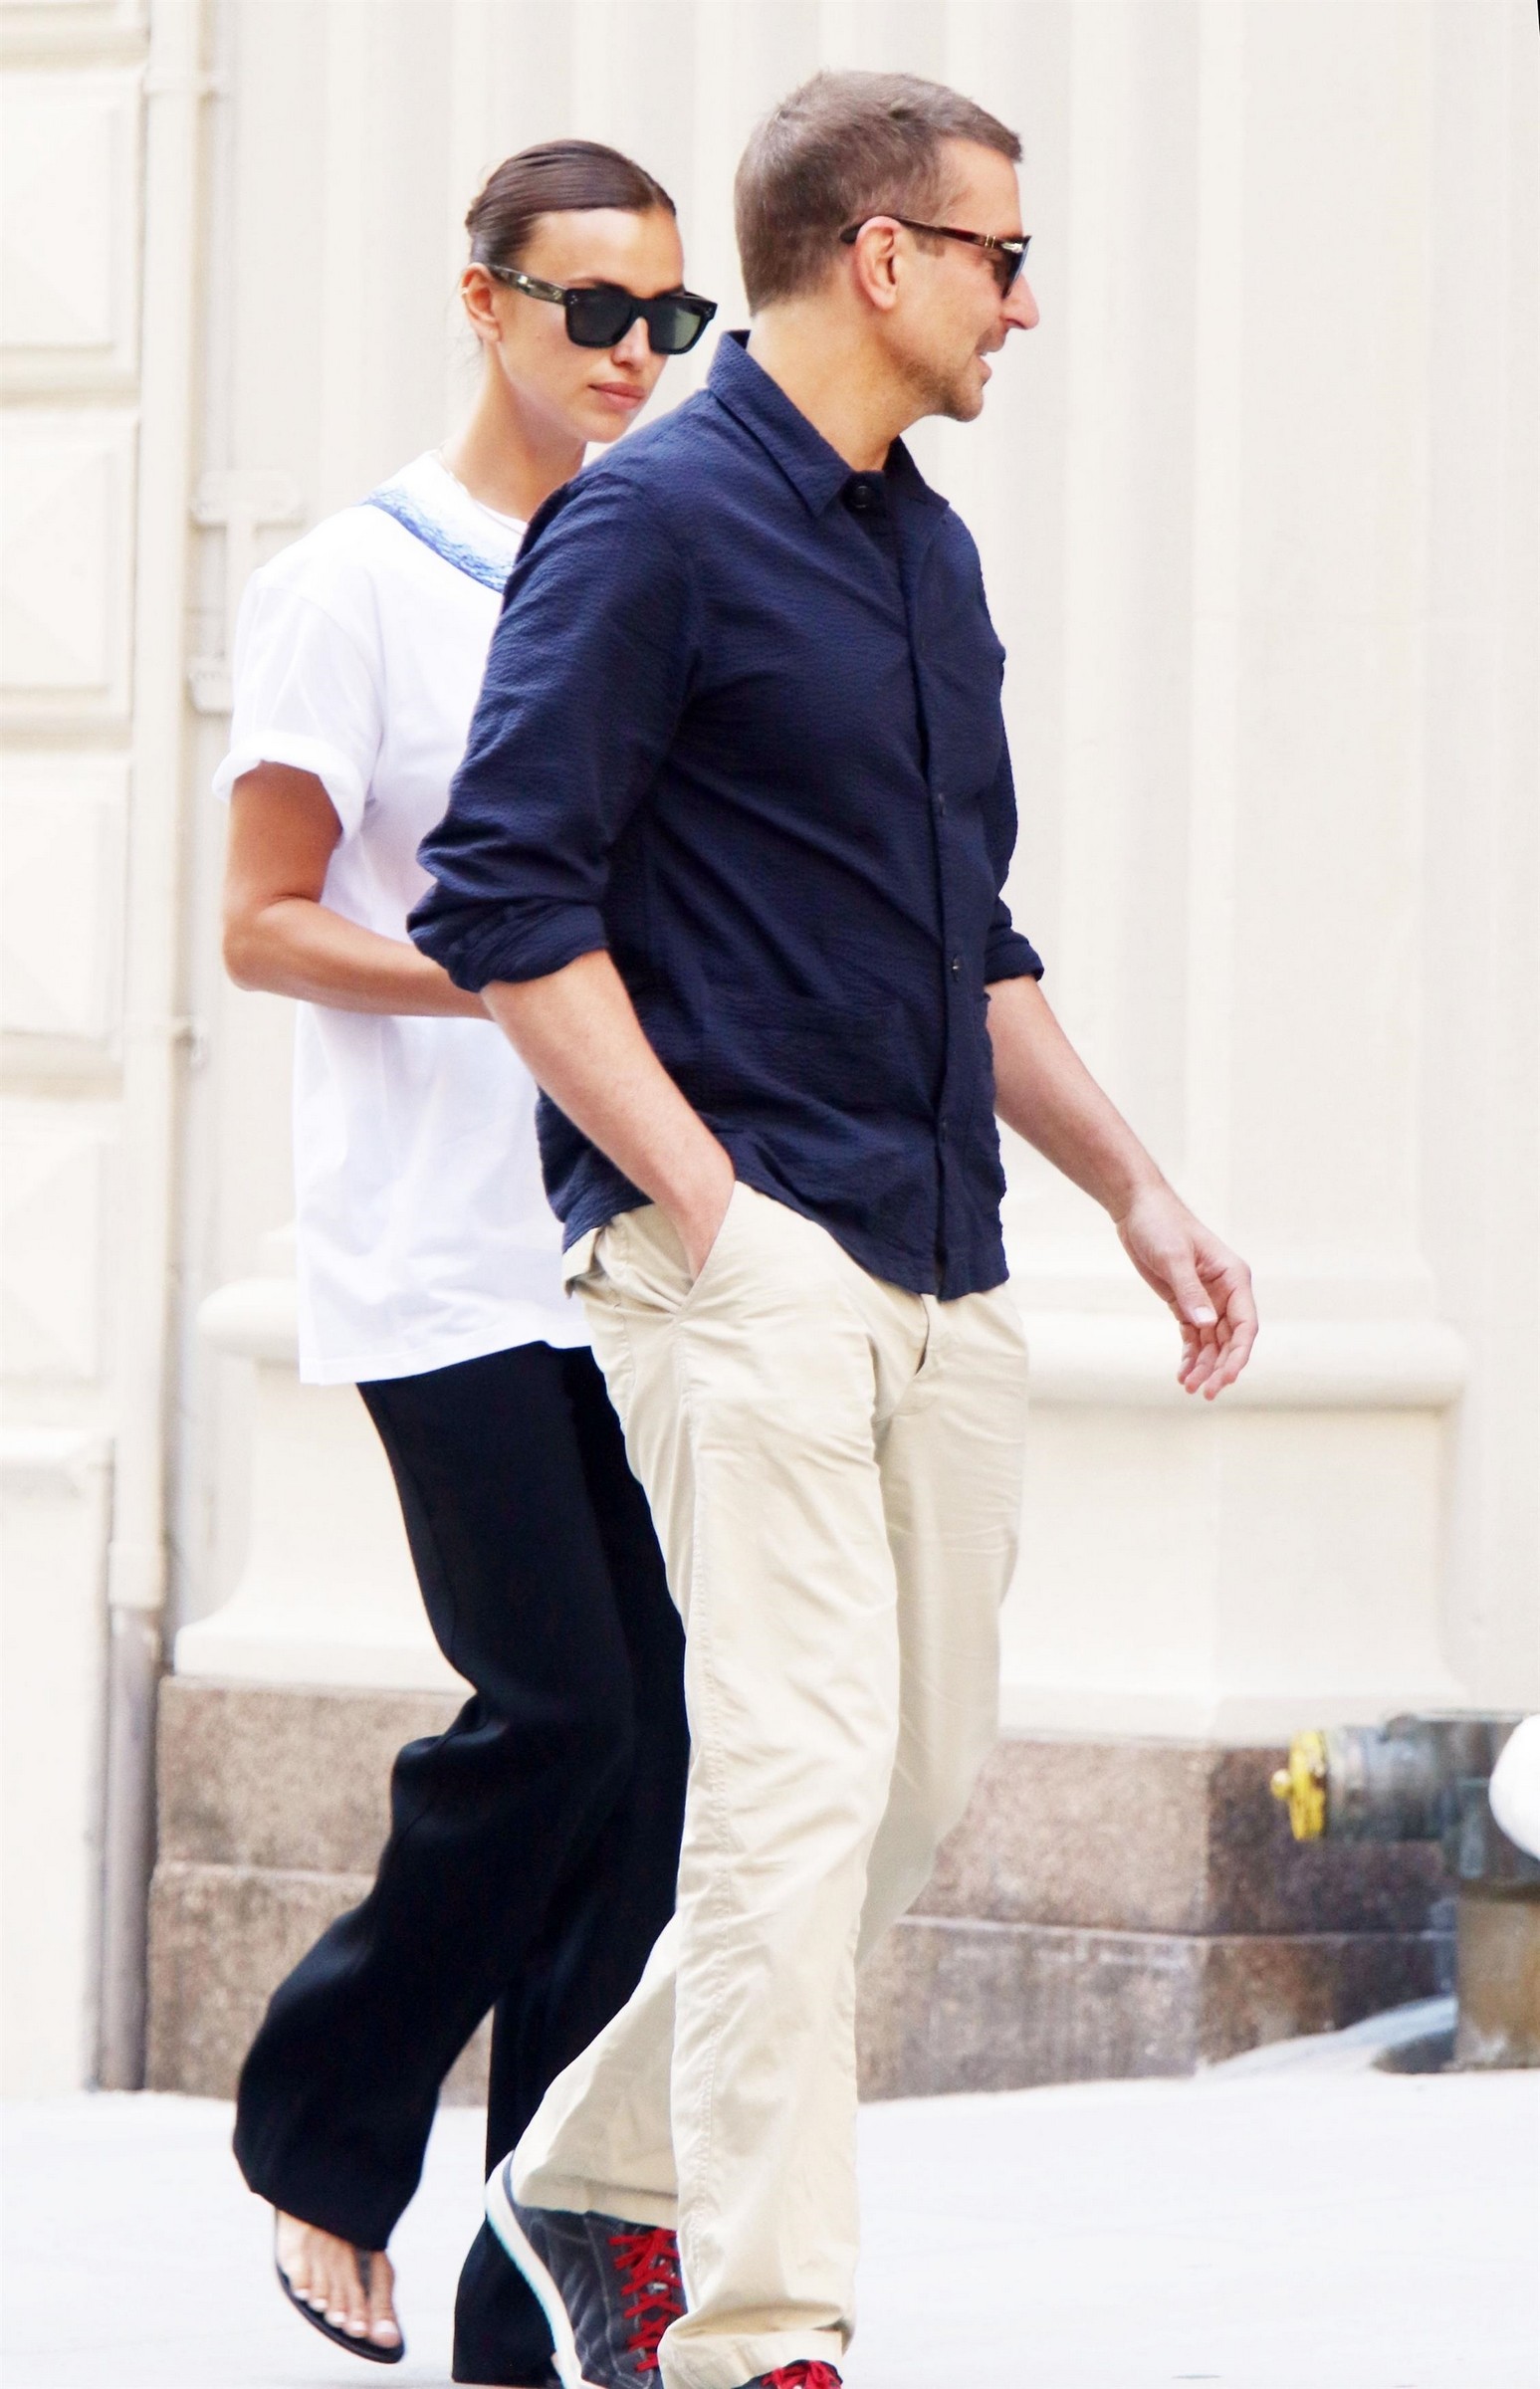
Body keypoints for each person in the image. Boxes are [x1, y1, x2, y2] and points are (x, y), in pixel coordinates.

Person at [410, 72, 1258, 2389]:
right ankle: (763, 2332)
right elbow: (501, 902)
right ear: (884, 257)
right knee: (786, 1793)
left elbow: (971, 940)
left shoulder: (930, 558)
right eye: (1004, 257)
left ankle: (587, 2177)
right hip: (739, 1265)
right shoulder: (645, 526)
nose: (1027, 305)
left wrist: (1136, 1185)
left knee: (904, 1785)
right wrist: (711, 1210)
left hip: (945, 1260)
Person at [217, 139, 718, 2382]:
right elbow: (261, 923)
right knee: (564, 1711)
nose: (633, 352)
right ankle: (327, 2131)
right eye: (592, 307)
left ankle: (542, 2281)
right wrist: (498, 970)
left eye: (668, 318)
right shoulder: (355, 582)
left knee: (654, 1761)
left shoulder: (650, 559)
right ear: (484, 300)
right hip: (438, 1257)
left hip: (629, 1247)